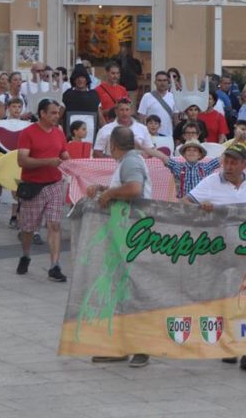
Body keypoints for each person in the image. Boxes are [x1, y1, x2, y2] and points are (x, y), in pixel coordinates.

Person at [186, 144, 246, 372]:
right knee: (224, 299)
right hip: (219, 253)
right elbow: (185, 204)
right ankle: (229, 344)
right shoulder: (211, 182)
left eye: (234, 162)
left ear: (245, 164)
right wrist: (200, 209)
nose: (229, 166)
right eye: (226, 161)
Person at [85, 125, 153, 369]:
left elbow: (134, 189)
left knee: (132, 291)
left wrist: (110, 193)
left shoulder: (131, 162)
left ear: (112, 144)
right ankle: (121, 346)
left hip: (132, 233)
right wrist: (105, 190)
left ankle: (141, 347)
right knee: (120, 290)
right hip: (124, 232)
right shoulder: (128, 161)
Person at [15, 99, 70, 282]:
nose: (56, 116)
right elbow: (22, 161)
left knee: (54, 224)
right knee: (28, 228)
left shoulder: (59, 133)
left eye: (57, 113)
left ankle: (54, 265)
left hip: (54, 184)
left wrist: (67, 158)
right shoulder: (27, 133)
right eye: (53, 113)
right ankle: (25, 254)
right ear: (42, 113)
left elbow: (63, 153)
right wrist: (48, 161)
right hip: (33, 186)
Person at [62, 64, 101, 134]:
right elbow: (60, 114)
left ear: (87, 80)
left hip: (90, 135)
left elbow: (99, 114)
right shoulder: (67, 94)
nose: (80, 80)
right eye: (77, 77)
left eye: (82, 77)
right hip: (71, 136)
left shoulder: (94, 95)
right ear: (74, 80)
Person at [138, 71, 177, 137]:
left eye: (165, 80)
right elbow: (141, 117)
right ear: (155, 82)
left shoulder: (173, 97)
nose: (162, 83)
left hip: (167, 135)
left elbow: (176, 119)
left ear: (168, 82)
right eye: (159, 80)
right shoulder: (147, 96)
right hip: (150, 136)